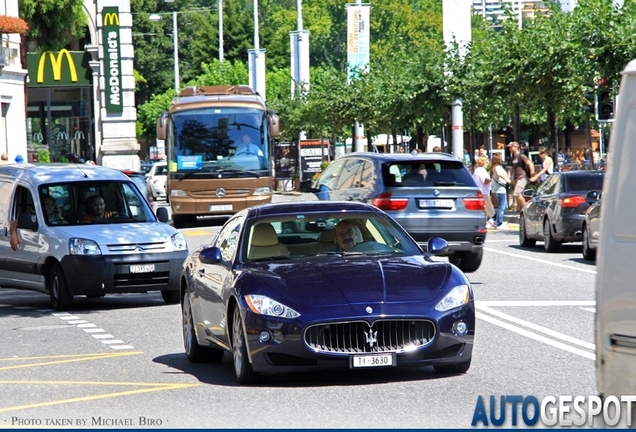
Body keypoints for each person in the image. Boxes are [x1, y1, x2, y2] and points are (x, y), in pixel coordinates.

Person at [507, 141, 534, 211]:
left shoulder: (522, 156)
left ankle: (526, 210)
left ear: (516, 147)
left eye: (511, 147)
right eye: (509, 148)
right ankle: (520, 211)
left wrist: (532, 174)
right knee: (518, 195)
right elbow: (511, 168)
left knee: (517, 193)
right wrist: (508, 176)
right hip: (516, 178)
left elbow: (530, 164)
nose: (509, 149)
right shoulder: (512, 157)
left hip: (522, 177)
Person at [472, 155, 496, 229]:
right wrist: (492, 180)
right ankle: (494, 220)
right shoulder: (481, 171)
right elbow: (484, 181)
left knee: (484, 207)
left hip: (480, 191)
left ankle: (489, 220)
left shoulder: (477, 170)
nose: (487, 164)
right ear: (483, 163)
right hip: (483, 191)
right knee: (489, 206)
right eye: (486, 162)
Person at [489, 153, 510, 229]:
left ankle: (493, 219)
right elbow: (499, 174)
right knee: (501, 207)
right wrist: (507, 179)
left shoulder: (493, 167)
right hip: (500, 189)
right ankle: (499, 224)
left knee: (503, 206)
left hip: (495, 189)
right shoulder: (498, 167)